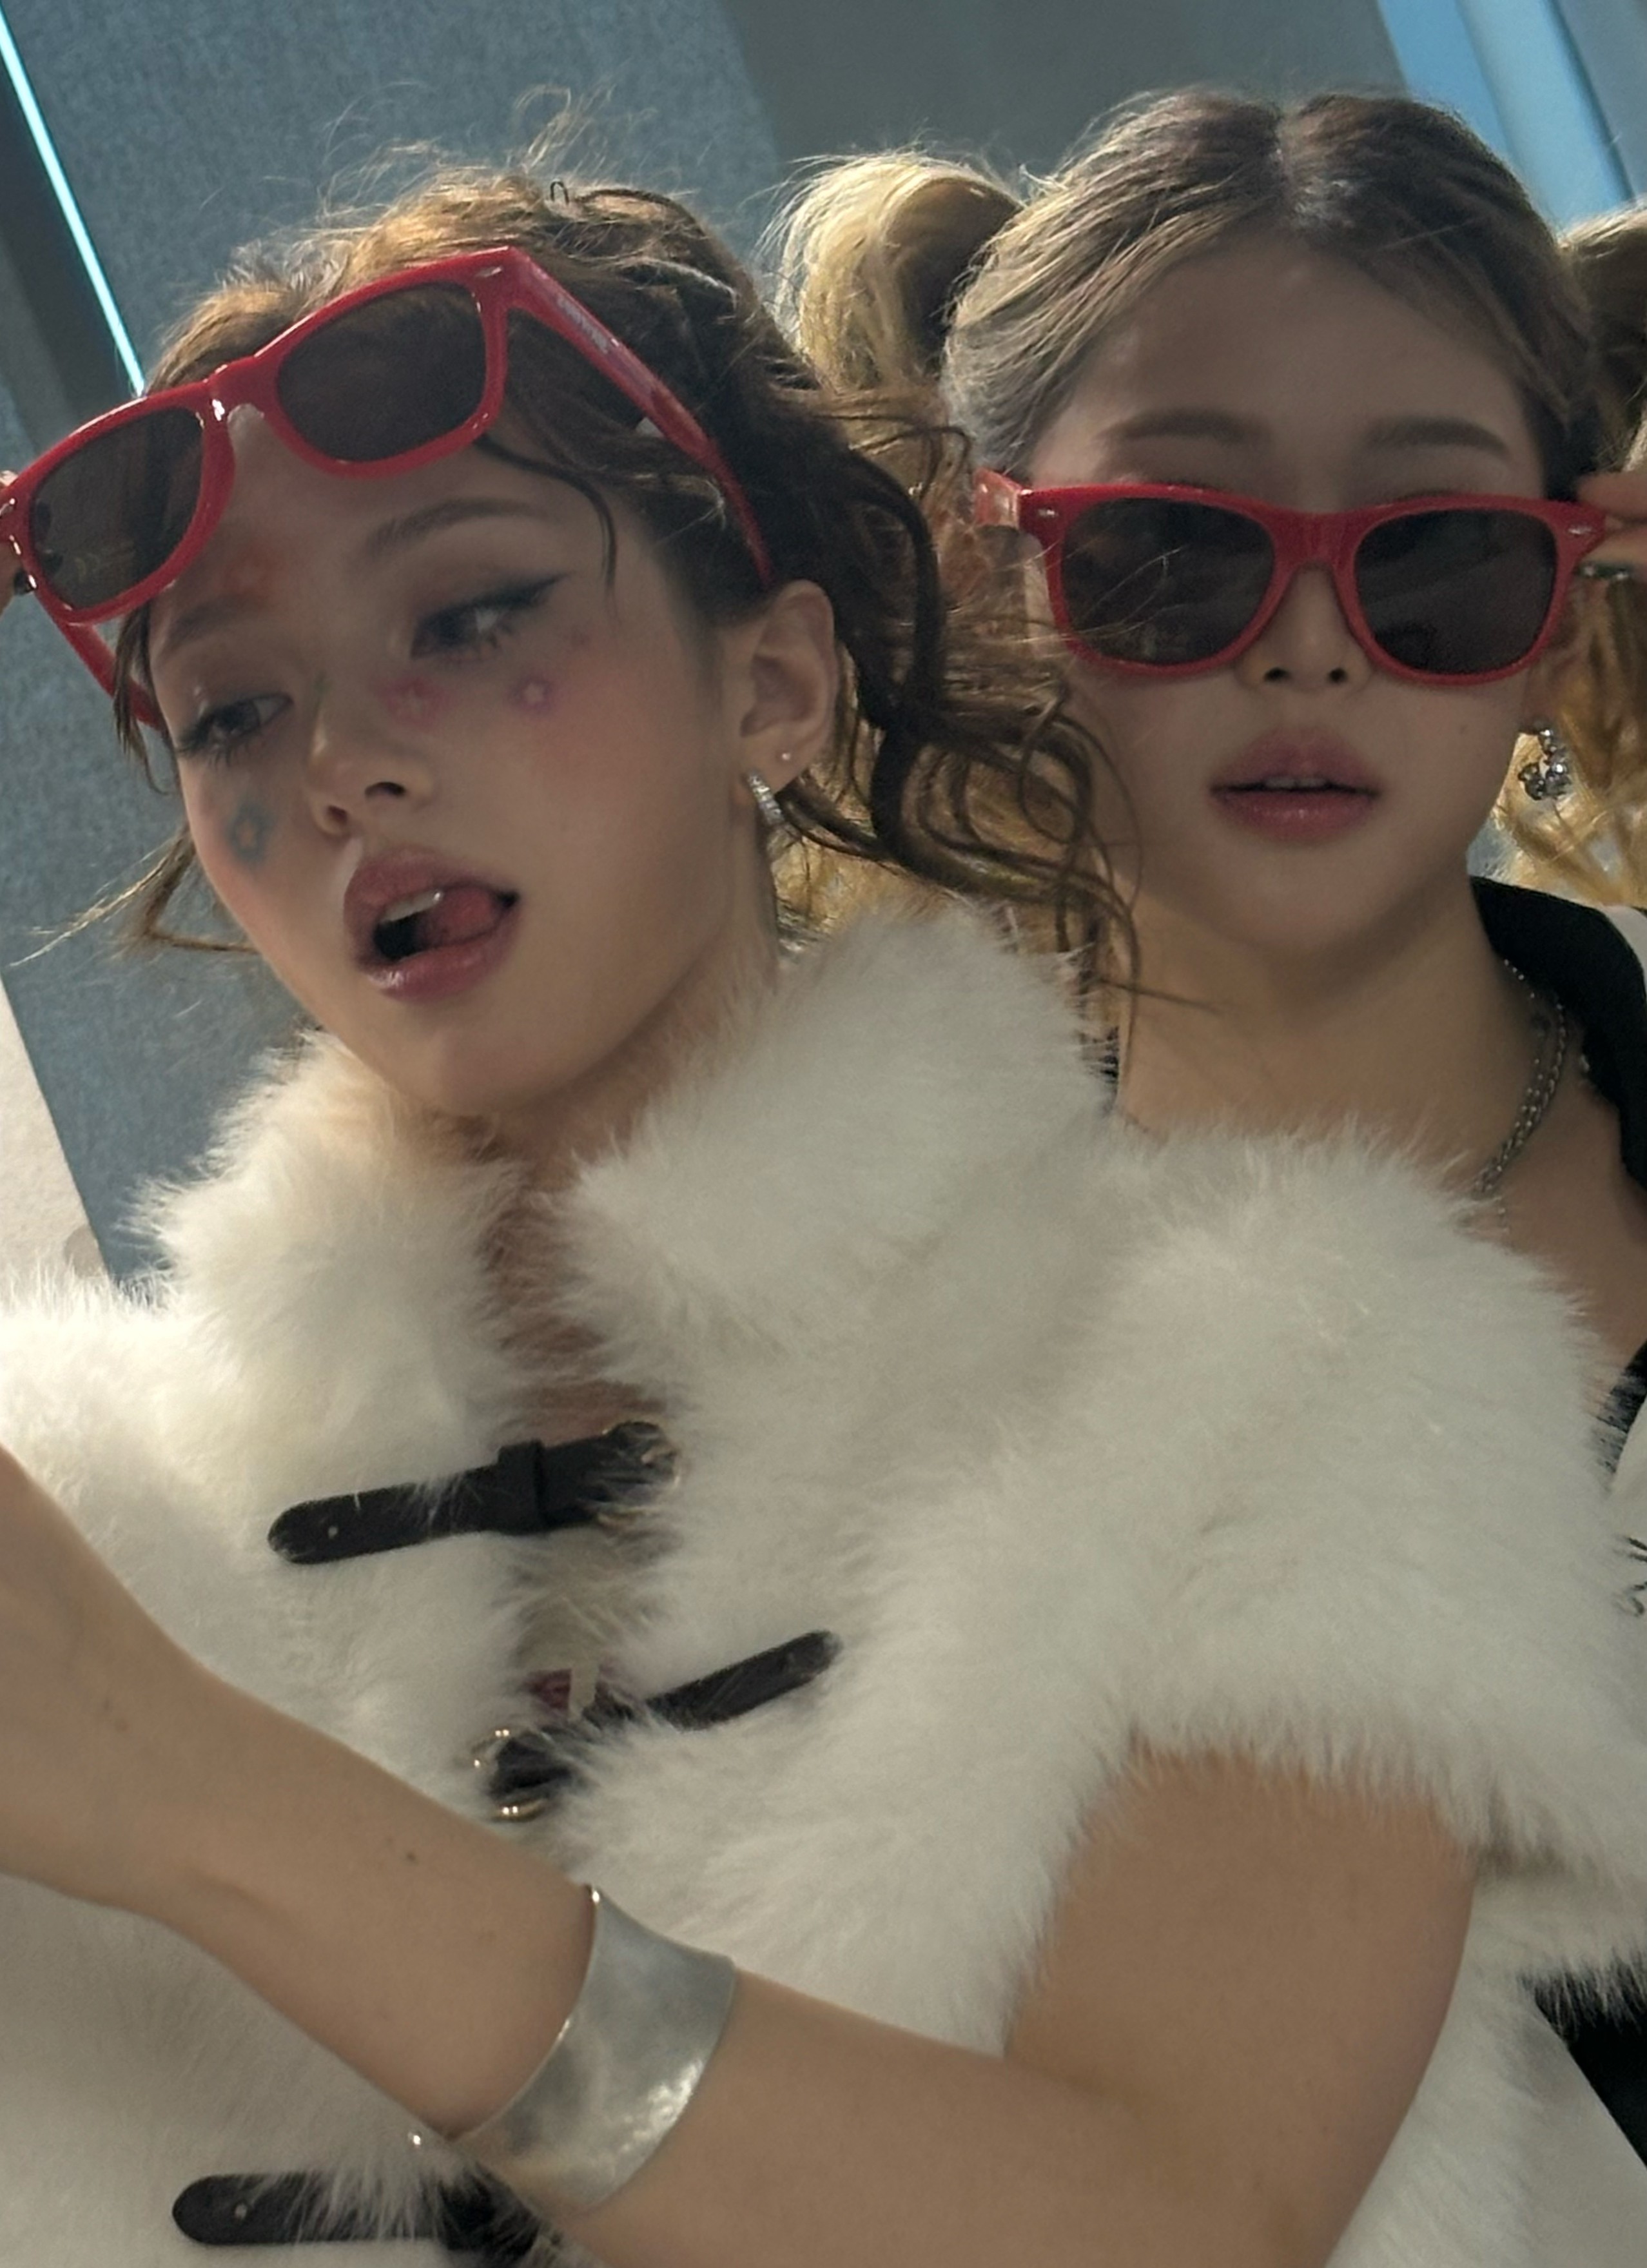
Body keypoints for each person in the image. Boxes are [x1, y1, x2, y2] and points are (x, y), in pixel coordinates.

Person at [0, 155, 1644, 2268]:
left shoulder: (1305, 1367)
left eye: (471, 616)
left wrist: (199, 1803)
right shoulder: (81, 1511)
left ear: (772, 683)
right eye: (235, 706)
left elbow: (1180, 2229)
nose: (339, 762)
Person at [775, 88, 1647, 2185]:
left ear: (1556, 597)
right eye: (1171, 551)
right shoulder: (827, 1321)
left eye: (1434, 554)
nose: (1307, 639)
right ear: (988, 575)